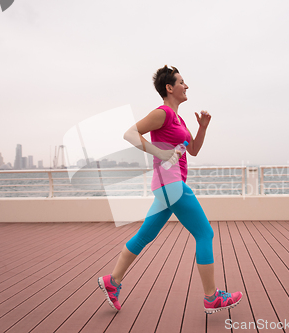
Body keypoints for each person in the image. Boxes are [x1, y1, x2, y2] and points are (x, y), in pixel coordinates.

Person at [98, 65, 242, 314]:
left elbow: (193, 150)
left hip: (168, 187)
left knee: (145, 236)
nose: (187, 86)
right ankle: (211, 298)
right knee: (205, 234)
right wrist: (161, 152)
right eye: (182, 82)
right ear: (169, 88)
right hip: (171, 184)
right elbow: (130, 134)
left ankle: (113, 281)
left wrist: (203, 127)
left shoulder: (179, 119)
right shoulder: (162, 113)